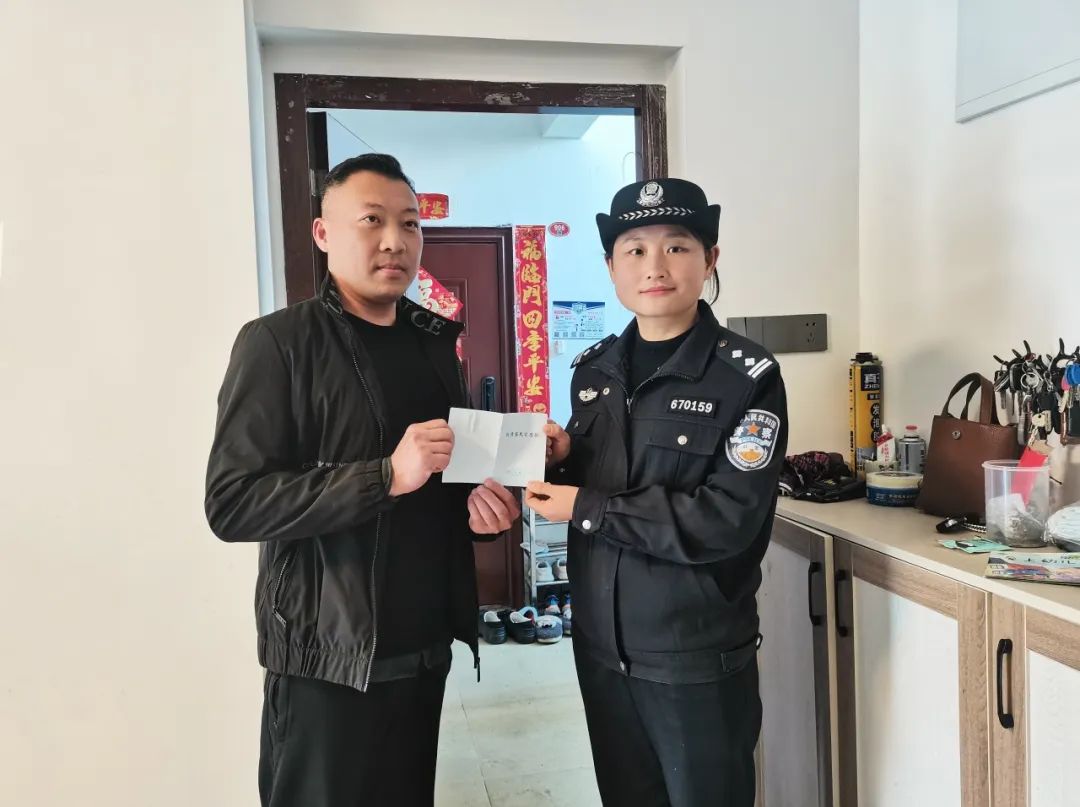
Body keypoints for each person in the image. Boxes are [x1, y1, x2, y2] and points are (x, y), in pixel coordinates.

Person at [205, 153, 520, 807]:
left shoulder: (434, 343)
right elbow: (233, 503)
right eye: (372, 220)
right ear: (323, 234)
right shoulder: (277, 344)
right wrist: (384, 476)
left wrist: (479, 513)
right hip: (328, 659)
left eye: (410, 223)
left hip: (423, 645)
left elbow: (440, 482)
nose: (395, 240)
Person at [526, 178, 788, 807]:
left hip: (692, 655)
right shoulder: (594, 370)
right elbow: (610, 479)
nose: (655, 267)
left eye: (677, 246)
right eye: (635, 250)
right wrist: (564, 461)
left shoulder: (745, 377)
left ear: (710, 259)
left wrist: (585, 506)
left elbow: (726, 519)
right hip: (600, 649)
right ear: (611, 266)